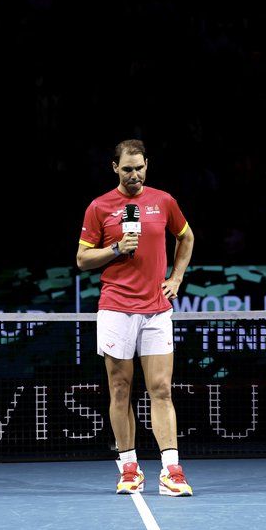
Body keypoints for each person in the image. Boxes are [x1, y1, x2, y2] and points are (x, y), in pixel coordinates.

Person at [76, 139, 195, 496]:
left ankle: (171, 471)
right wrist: (115, 249)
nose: (134, 175)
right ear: (115, 168)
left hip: (157, 309)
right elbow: (82, 260)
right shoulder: (99, 207)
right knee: (120, 388)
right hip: (115, 308)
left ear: (147, 165)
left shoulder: (164, 201)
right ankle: (129, 468)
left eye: (139, 168)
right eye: (127, 169)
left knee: (160, 389)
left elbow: (186, 238)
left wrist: (176, 278)